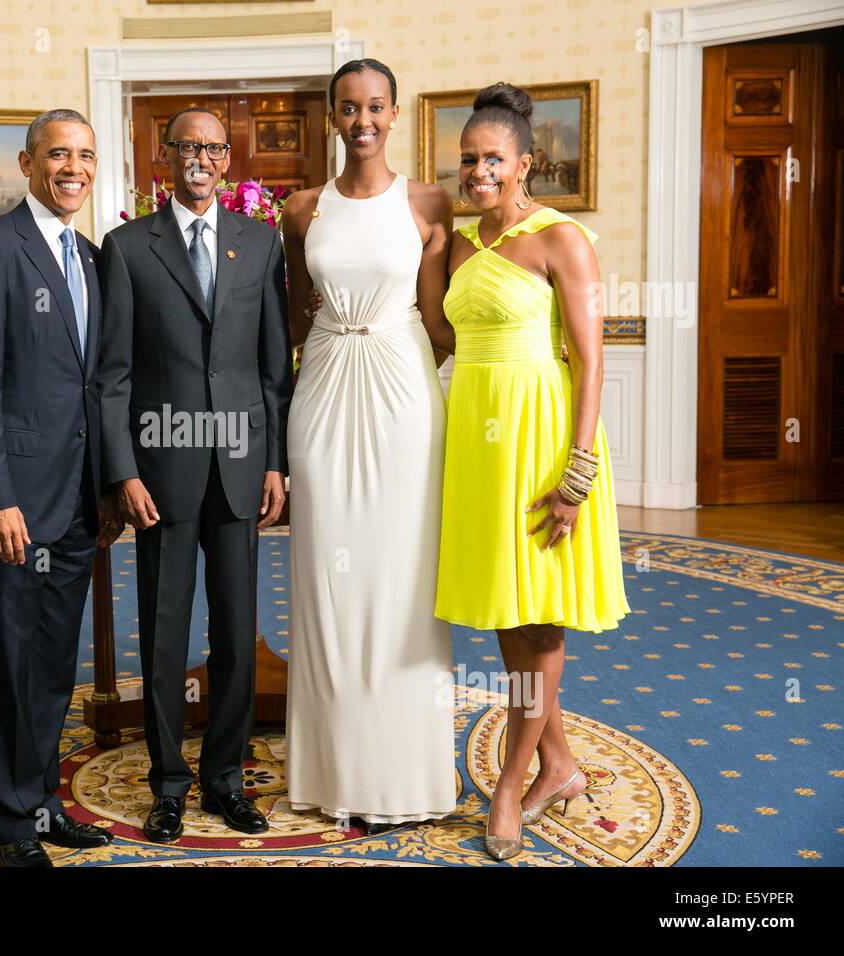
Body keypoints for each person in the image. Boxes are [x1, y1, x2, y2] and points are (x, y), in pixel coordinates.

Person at [434, 83, 630, 861]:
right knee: (508, 614)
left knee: (538, 619)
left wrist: (577, 470)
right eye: (467, 160)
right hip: (480, 443)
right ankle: (560, 763)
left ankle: (511, 785)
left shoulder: (561, 239)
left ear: (526, 163)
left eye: (492, 160)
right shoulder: (460, 242)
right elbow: (441, 335)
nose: (478, 172)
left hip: (544, 440)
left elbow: (591, 360)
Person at [98, 107, 292, 843]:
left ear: (227, 161)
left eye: (214, 148)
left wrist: (275, 459)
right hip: (162, 469)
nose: (202, 159)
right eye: (189, 147)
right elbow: (113, 376)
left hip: (242, 469)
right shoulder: (126, 248)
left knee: (238, 634)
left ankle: (225, 778)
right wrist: (123, 472)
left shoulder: (260, 241)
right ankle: (168, 785)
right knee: (164, 637)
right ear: (166, 157)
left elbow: (275, 369)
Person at [281, 59, 459, 834]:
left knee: (403, 578)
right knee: (328, 579)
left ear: (395, 112)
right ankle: (331, 769)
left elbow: (441, 322)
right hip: (321, 393)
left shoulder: (428, 202)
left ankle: (404, 768)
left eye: (376, 107)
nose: (362, 121)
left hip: (403, 399)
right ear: (331, 115)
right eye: (348, 108)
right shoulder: (299, 210)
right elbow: (292, 319)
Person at [0, 108, 123, 868]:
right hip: (13, 502)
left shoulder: (89, 256)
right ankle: (9, 824)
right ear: (26, 164)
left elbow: (97, 386)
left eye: (84, 155)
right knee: (7, 666)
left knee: (53, 664)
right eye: (57, 154)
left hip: (77, 501)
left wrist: (109, 485)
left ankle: (43, 803)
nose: (72, 168)